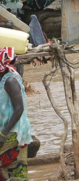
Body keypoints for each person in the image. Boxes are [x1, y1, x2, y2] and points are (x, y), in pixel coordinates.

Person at [0, 47, 33, 180]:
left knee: (15, 171)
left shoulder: (10, 81)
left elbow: (19, 109)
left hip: (13, 133)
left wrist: (3, 133)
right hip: (7, 132)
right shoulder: (4, 81)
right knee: (9, 172)